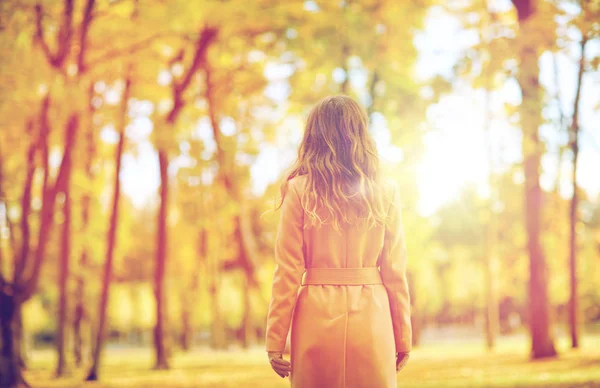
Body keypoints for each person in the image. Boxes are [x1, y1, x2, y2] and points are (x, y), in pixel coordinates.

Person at [265, 95, 412, 387]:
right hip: (372, 316)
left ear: (313, 136)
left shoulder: (297, 190)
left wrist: (275, 339)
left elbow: (288, 271)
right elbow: (395, 271)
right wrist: (403, 336)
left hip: (315, 316)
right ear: (360, 134)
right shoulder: (386, 190)